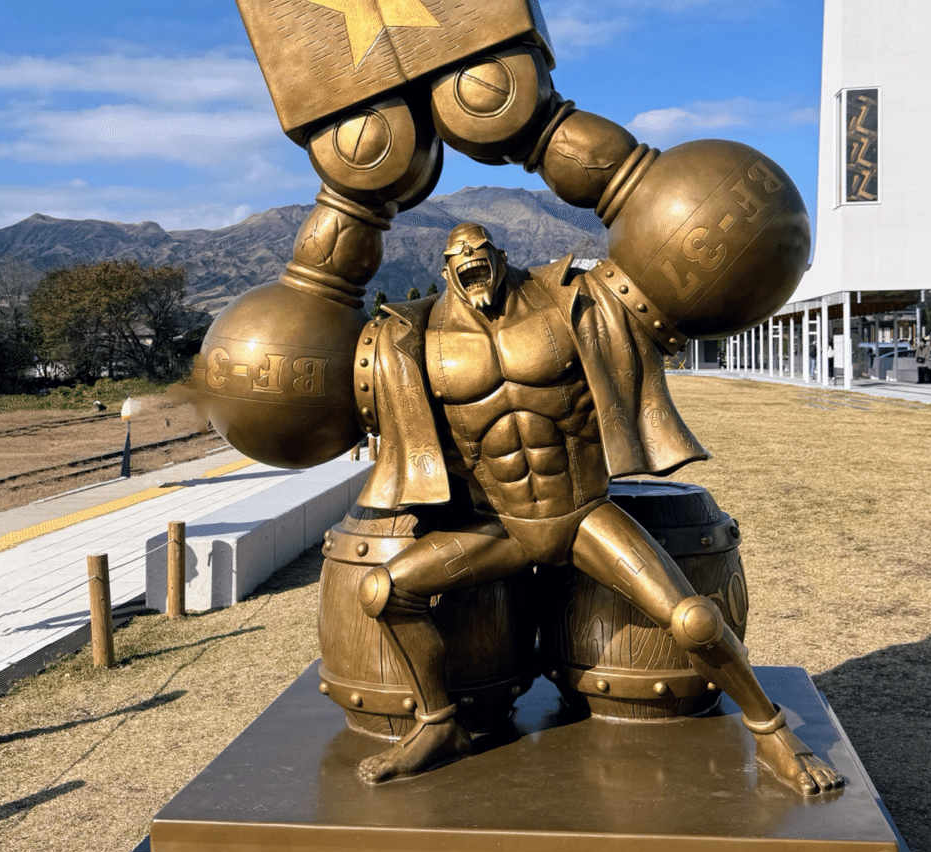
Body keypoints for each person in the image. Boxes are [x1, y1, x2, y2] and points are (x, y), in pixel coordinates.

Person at [352, 221, 843, 797]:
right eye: (455, 254)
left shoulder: (567, 303)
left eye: (479, 251)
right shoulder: (418, 336)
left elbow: (648, 311)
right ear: (445, 270)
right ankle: (439, 724)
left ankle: (773, 731)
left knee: (692, 618)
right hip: (503, 526)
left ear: (500, 256)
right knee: (384, 591)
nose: (468, 258)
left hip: (582, 514)